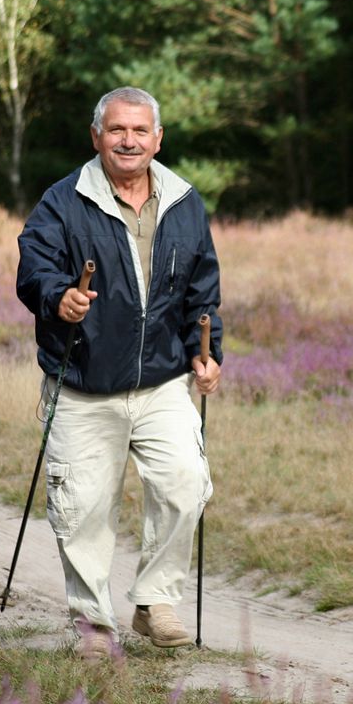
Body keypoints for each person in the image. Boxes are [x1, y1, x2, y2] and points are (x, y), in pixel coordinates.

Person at [16, 86, 222, 661]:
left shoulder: (184, 202)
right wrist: (59, 298)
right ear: (96, 137)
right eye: (116, 130)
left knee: (184, 483)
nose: (128, 141)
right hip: (81, 382)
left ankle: (155, 602)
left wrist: (209, 354)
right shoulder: (63, 202)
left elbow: (202, 292)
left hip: (162, 381)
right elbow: (33, 268)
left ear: (158, 139)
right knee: (83, 508)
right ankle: (93, 624)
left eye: (139, 131)